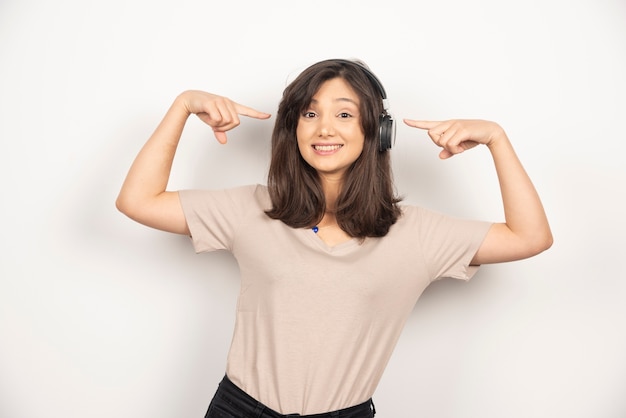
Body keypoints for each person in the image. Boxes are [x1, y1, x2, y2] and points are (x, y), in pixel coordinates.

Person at [116, 58, 552, 418]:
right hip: (240, 408)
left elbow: (529, 237)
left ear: (376, 131)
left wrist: (497, 139)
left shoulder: (416, 233)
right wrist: (182, 107)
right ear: (295, 128)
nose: (325, 128)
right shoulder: (252, 209)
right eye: (310, 113)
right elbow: (138, 200)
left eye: (344, 114)